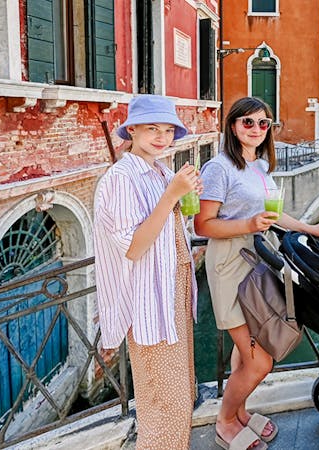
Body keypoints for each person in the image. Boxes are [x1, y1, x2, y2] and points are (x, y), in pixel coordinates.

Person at [194, 97, 319, 450]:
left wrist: (310, 228)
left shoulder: (259, 165)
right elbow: (202, 223)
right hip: (229, 263)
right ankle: (225, 421)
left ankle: (240, 411)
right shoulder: (219, 167)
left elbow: (273, 215)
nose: (256, 129)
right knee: (260, 360)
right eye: (248, 122)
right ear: (232, 126)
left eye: (263, 123)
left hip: (255, 258)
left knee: (247, 354)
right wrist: (248, 223)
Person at [93, 95, 201, 449]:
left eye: (168, 130)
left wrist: (181, 201)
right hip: (150, 303)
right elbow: (134, 247)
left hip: (173, 294)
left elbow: (165, 230)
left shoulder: (160, 171)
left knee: (182, 396)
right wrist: (172, 196)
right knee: (164, 405)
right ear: (132, 129)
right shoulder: (122, 178)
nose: (161, 136)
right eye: (152, 128)